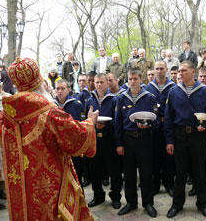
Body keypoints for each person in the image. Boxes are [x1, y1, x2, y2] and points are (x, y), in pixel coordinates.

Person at [0, 56, 98, 221]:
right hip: (51, 184)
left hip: (20, 187)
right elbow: (76, 138)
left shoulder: (5, 114)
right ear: (39, 83)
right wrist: (90, 122)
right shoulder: (49, 112)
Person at [164, 61, 206, 219]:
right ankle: (177, 204)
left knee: (199, 171)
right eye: (179, 71)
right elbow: (169, 117)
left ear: (193, 72)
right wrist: (169, 140)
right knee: (180, 172)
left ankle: (202, 203)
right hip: (180, 136)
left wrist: (205, 126)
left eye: (184, 70)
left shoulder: (205, 91)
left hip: (198, 136)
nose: (180, 73)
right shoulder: (174, 91)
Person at [115, 69, 159, 218]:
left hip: (144, 138)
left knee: (146, 173)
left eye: (135, 78)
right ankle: (131, 202)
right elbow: (118, 122)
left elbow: (157, 120)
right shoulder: (121, 98)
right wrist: (119, 144)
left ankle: (148, 203)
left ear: (141, 79)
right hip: (128, 140)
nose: (132, 81)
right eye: (130, 79)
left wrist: (149, 125)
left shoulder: (150, 98)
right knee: (129, 174)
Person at [85, 74, 122, 209]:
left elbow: (118, 121)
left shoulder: (114, 100)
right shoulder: (90, 101)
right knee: (95, 170)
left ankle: (116, 197)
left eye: (102, 82)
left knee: (114, 171)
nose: (99, 85)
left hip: (110, 140)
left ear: (107, 83)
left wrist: (107, 126)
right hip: (95, 141)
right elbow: (85, 122)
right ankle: (98, 196)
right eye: (97, 82)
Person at [145, 60, 176, 197]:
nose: (159, 71)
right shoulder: (148, 88)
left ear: (166, 69)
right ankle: (155, 184)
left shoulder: (173, 87)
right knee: (154, 156)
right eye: (156, 68)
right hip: (153, 127)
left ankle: (169, 183)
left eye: (161, 68)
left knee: (169, 156)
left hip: (169, 126)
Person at [54, 79, 86, 190]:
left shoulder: (76, 104)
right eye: (57, 88)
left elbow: (81, 124)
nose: (60, 91)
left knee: (76, 175)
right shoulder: (51, 105)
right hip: (57, 147)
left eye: (62, 88)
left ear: (68, 90)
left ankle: (79, 202)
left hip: (73, 146)